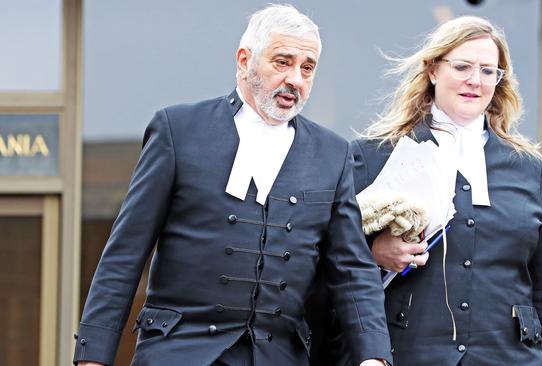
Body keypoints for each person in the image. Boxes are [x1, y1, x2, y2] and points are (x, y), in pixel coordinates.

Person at [74, 5, 391, 366]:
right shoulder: (178, 130)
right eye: (282, 62)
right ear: (244, 61)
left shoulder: (332, 154)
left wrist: (374, 356)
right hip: (179, 351)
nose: (296, 80)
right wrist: (92, 357)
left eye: (307, 68)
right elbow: (124, 253)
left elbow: (352, 268)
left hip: (279, 357)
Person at [320, 16, 542, 366]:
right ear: (432, 70)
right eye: (462, 66)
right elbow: (330, 263)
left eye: (489, 71)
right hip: (411, 353)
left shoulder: (527, 168)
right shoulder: (373, 156)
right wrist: (373, 252)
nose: (475, 80)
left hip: (512, 357)